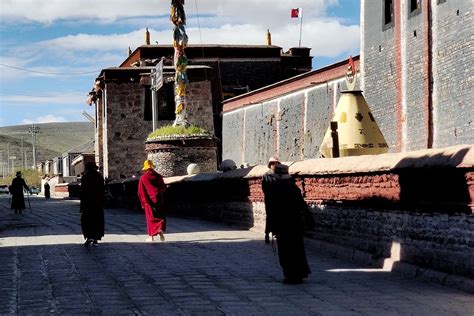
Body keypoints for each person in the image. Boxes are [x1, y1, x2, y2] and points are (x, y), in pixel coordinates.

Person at [261, 159, 312, 284]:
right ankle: (300, 273)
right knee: (297, 248)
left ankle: (290, 275)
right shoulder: (294, 188)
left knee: (285, 250)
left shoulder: (273, 190)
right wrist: (308, 218)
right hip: (296, 223)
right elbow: (302, 205)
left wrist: (269, 227)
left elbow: (270, 209)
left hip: (281, 224)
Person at [138, 159, 167, 242]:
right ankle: (160, 230)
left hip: (149, 201)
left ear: (146, 168)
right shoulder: (158, 176)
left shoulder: (143, 178)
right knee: (159, 214)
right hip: (159, 199)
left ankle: (151, 236)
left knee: (150, 218)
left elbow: (141, 191)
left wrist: (144, 202)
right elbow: (163, 187)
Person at [80, 162, 105, 247]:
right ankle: (95, 239)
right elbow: (102, 190)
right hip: (98, 203)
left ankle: (89, 237)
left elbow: (82, 192)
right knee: (97, 220)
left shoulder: (85, 177)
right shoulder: (99, 177)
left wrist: (82, 205)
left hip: (87, 203)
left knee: (87, 220)